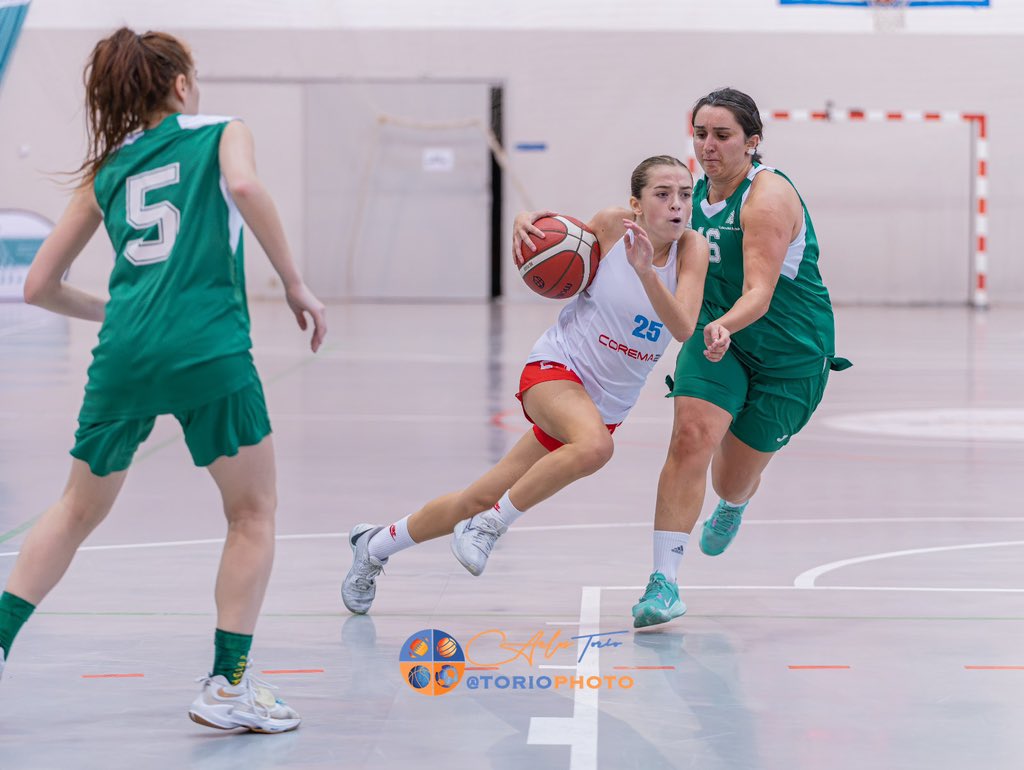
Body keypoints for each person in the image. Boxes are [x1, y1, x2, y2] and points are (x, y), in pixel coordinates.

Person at [0, 28, 326, 733]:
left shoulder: (107, 168)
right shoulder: (220, 130)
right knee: (252, 514)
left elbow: (36, 286)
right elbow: (243, 184)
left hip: (123, 354)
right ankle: (225, 687)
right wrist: (295, 283)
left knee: (76, 509)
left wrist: (117, 311)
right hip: (207, 347)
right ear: (180, 85)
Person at [341, 156, 709, 614]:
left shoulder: (692, 250)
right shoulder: (613, 226)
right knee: (594, 449)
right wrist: (524, 223)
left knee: (477, 495)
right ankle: (488, 527)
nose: (677, 205)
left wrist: (646, 273)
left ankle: (373, 546)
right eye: (662, 194)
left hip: (605, 403)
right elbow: (554, 237)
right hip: (557, 369)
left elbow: (683, 326)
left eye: (685, 195)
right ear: (635, 204)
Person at [631, 88, 851, 629]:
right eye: (701, 133)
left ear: (752, 143)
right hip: (715, 343)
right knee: (689, 439)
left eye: (722, 135)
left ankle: (734, 504)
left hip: (788, 355)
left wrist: (725, 323)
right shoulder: (689, 194)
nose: (708, 146)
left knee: (730, 480)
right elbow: (629, 215)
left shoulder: (767, 198)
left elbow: (759, 292)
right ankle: (664, 582)